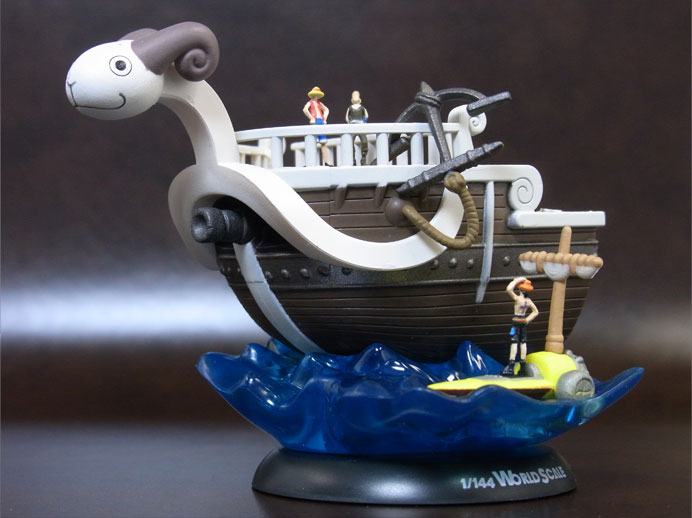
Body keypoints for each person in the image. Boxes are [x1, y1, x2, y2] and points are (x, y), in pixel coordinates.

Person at [502, 277, 539, 376]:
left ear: (520, 290)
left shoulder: (517, 299)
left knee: (514, 343)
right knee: (523, 343)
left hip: (516, 321)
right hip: (523, 321)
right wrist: (527, 319)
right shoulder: (529, 301)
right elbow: (536, 312)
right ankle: (523, 367)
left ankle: (511, 368)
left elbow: (509, 289)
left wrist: (516, 280)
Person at [302, 86, 332, 166]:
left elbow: (326, 110)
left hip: (320, 121)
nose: (317, 96)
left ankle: (327, 161)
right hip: (315, 121)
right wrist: (311, 118)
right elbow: (305, 109)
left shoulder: (319, 103)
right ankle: (309, 162)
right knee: (312, 142)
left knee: (323, 142)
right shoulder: (310, 102)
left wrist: (324, 118)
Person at [345, 90, 369, 165]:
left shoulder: (362, 108)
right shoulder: (350, 108)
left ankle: (363, 159)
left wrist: (365, 121)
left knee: (364, 141)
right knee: (350, 142)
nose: (355, 97)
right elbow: (347, 116)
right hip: (352, 126)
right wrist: (348, 122)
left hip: (361, 126)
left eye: (357, 96)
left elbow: (366, 115)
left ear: (359, 98)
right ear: (352, 99)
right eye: (354, 96)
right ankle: (353, 160)